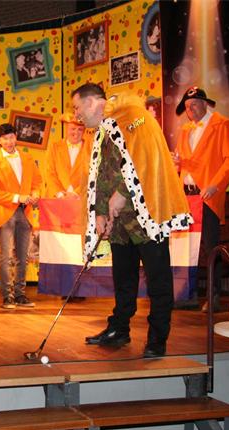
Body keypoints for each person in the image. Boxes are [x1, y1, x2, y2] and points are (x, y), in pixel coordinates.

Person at [74, 83, 192, 358]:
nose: (76, 114)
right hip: (119, 224)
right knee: (123, 279)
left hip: (147, 214)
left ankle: (157, 338)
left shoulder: (135, 116)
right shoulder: (101, 132)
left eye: (77, 107)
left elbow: (146, 158)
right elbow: (100, 174)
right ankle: (119, 329)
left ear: (92, 102)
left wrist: (123, 193)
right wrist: (100, 212)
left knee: (158, 279)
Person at [173, 87, 229, 312]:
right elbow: (183, 160)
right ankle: (187, 294)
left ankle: (214, 295)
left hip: (208, 194)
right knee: (187, 246)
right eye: (187, 107)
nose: (190, 109)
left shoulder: (221, 125)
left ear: (205, 103)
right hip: (187, 195)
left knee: (211, 245)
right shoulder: (185, 130)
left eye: (194, 104)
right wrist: (177, 163)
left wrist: (215, 184)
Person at [0, 123, 42, 309]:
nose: (9, 141)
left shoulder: (27, 158)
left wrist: (36, 194)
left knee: (23, 256)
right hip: (5, 213)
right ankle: (7, 296)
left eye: (11, 137)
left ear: (16, 137)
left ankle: (20, 294)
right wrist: (17, 197)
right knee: (7, 256)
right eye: (5, 138)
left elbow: (37, 181)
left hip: (25, 212)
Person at [45, 112, 91, 200]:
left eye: (80, 129)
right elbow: (50, 173)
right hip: (56, 198)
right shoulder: (54, 147)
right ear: (66, 128)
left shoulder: (91, 149)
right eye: (73, 129)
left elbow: (91, 175)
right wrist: (60, 194)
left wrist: (76, 193)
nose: (76, 133)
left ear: (84, 131)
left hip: (80, 198)